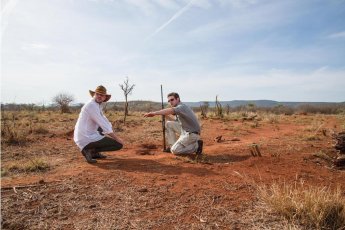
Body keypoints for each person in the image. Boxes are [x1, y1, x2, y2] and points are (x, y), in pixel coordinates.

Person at [74, 85, 124, 163]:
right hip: (85, 137)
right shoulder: (92, 105)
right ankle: (89, 150)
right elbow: (103, 124)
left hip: (85, 134)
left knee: (102, 128)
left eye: (102, 95)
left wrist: (109, 127)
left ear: (105, 97)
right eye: (97, 94)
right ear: (94, 94)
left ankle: (94, 152)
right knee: (118, 144)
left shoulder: (96, 105)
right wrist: (117, 138)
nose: (99, 96)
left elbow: (104, 119)